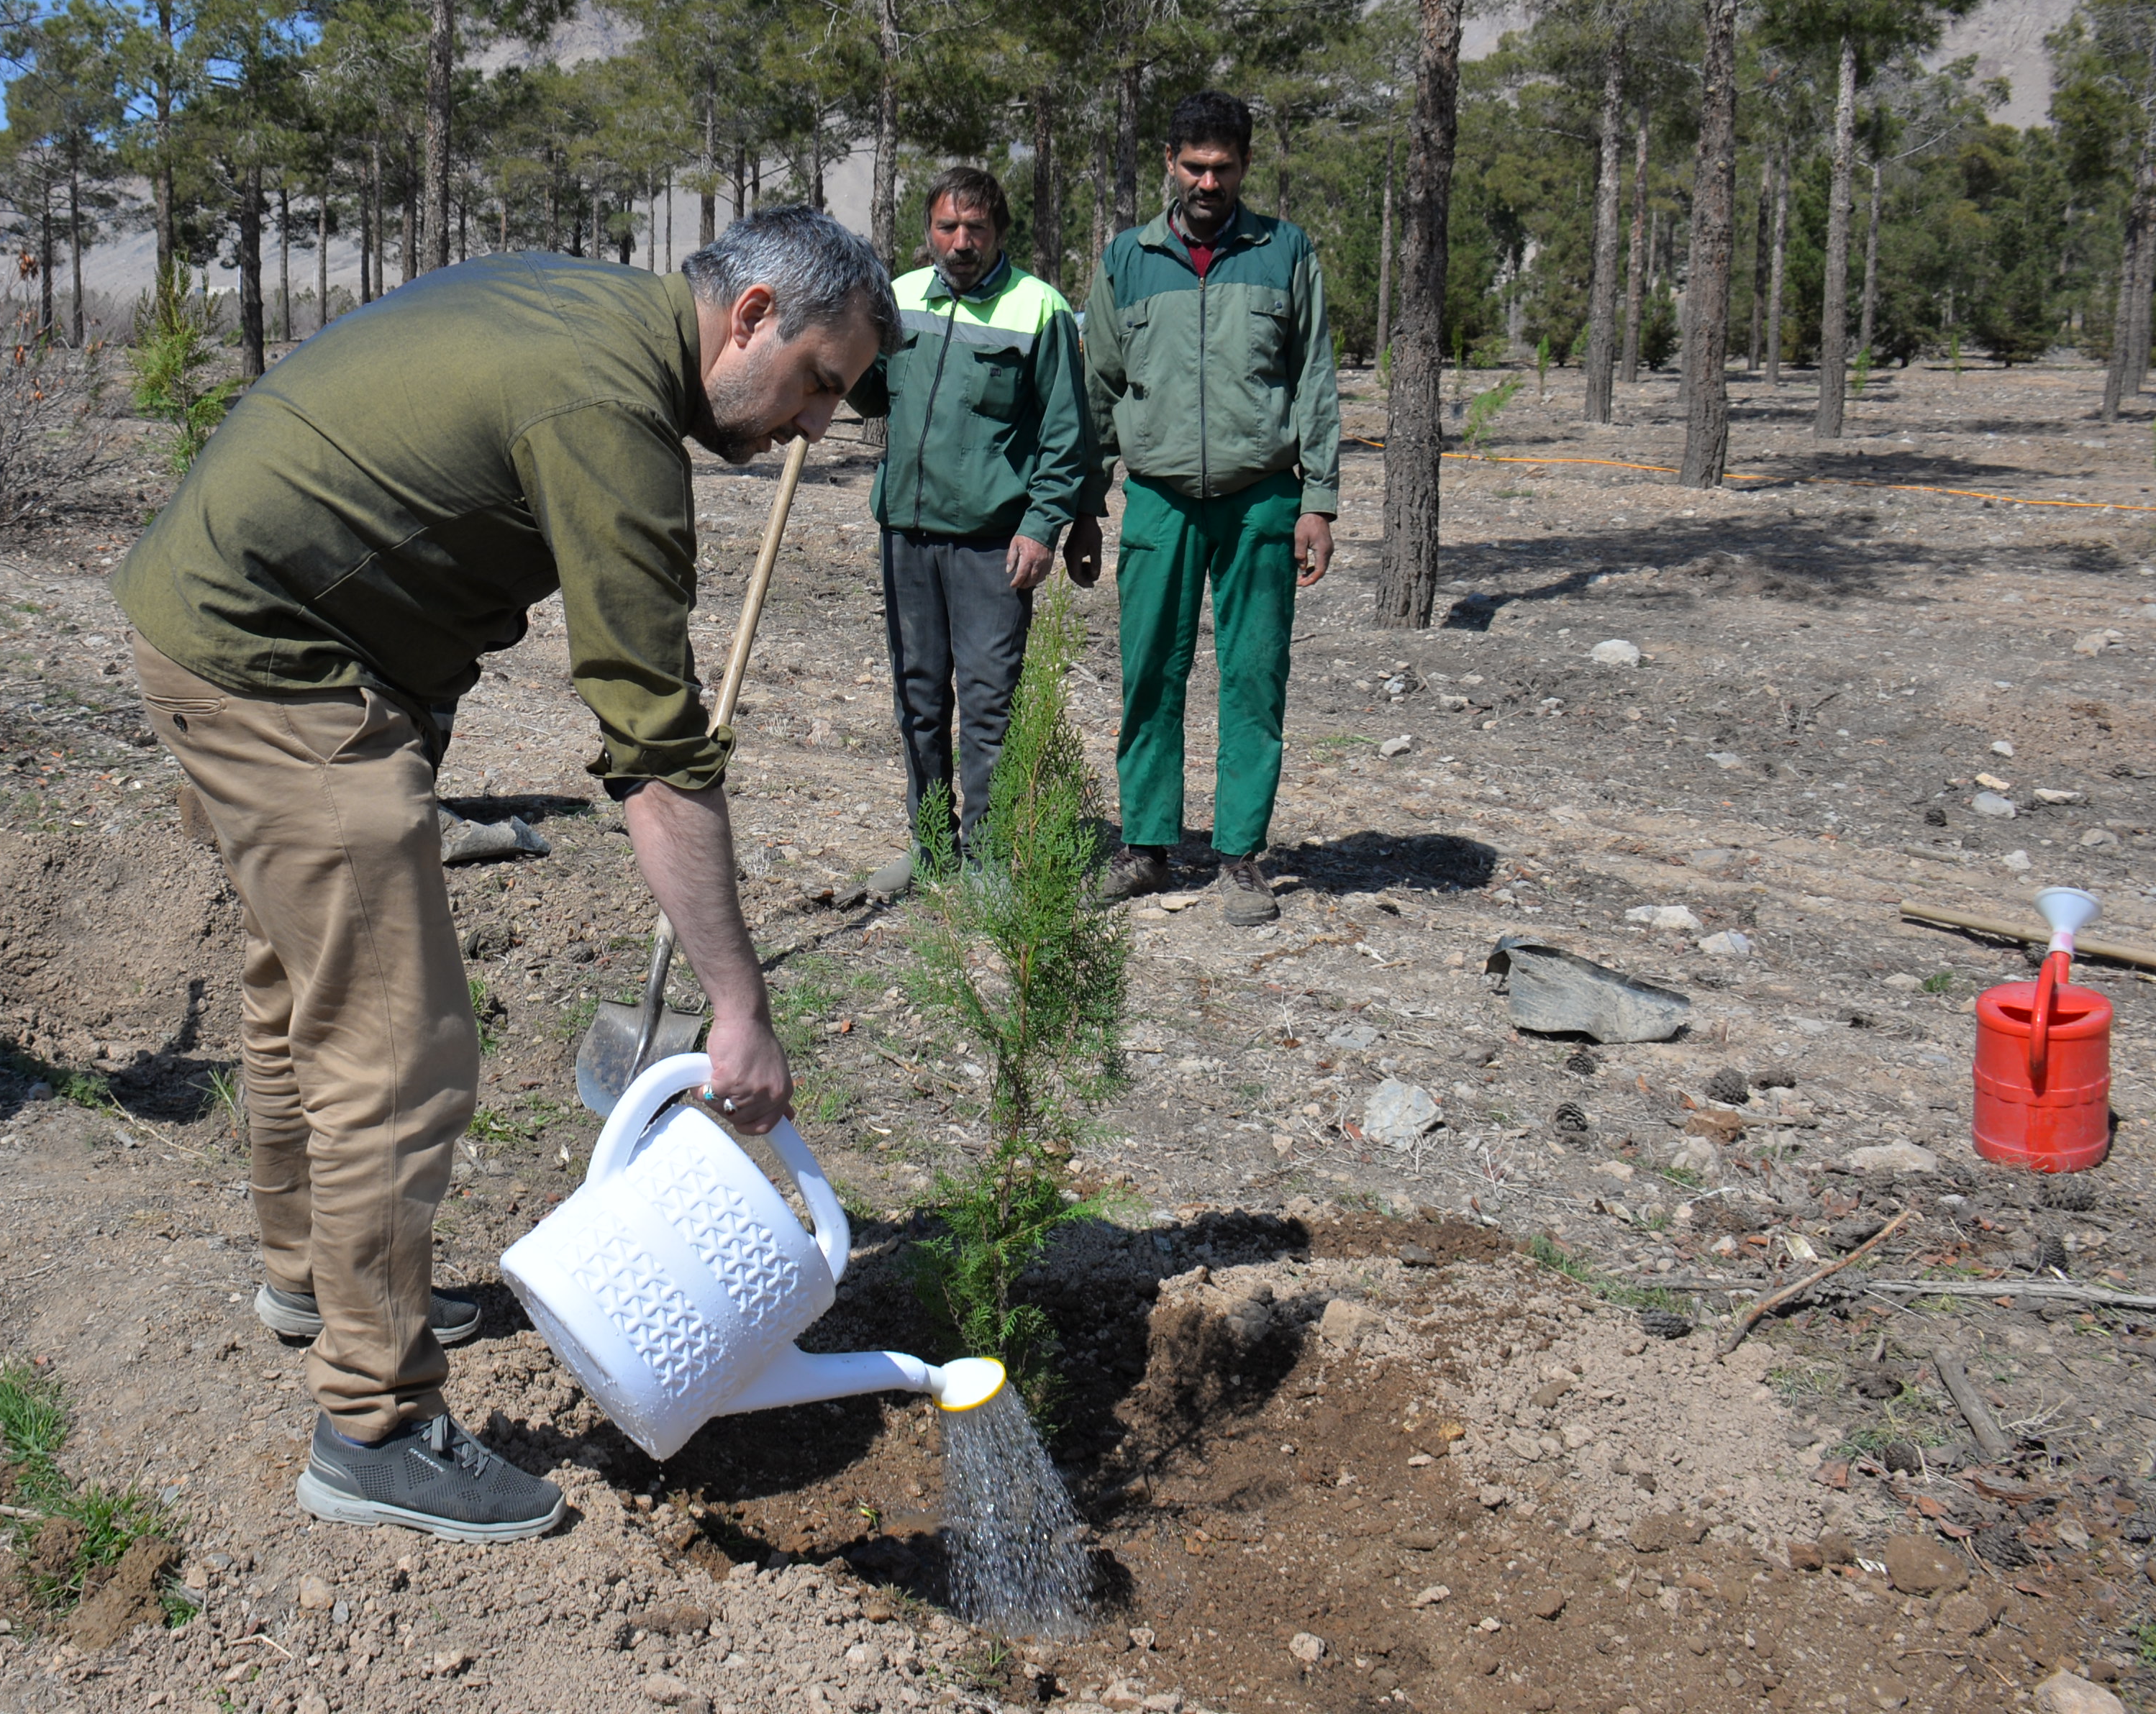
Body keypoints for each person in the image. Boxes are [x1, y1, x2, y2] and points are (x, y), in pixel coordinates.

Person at [112, 206, 893, 1543]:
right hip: (274, 657)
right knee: (396, 1044)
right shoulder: (610, 414)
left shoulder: (597, 319)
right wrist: (738, 1006)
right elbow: (656, 754)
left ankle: (314, 1281)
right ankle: (374, 1426)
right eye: (820, 380)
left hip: (239, 617)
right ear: (753, 316)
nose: (817, 425)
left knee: (303, 981)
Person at [1082, 89, 1340, 920]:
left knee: (1254, 675)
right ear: (1170, 162)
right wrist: (1085, 501)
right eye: (1193, 166)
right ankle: (1147, 847)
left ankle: (1239, 857)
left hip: (1261, 499)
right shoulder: (1127, 260)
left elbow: (1314, 379)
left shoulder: (1285, 252)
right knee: (1149, 672)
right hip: (1158, 500)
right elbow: (1098, 387)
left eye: (1222, 168)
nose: (1207, 182)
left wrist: (1319, 499)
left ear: (1245, 165)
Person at [850, 167, 1099, 895]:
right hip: (907, 533)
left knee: (990, 703)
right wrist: (837, 344)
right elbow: (869, 391)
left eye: (976, 228)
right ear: (928, 231)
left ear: (999, 232)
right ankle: (932, 848)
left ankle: (990, 858)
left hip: (995, 541)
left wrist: (1043, 525)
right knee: (918, 697)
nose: (961, 242)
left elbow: (1066, 433)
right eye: (947, 227)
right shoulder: (898, 298)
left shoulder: (1039, 308)